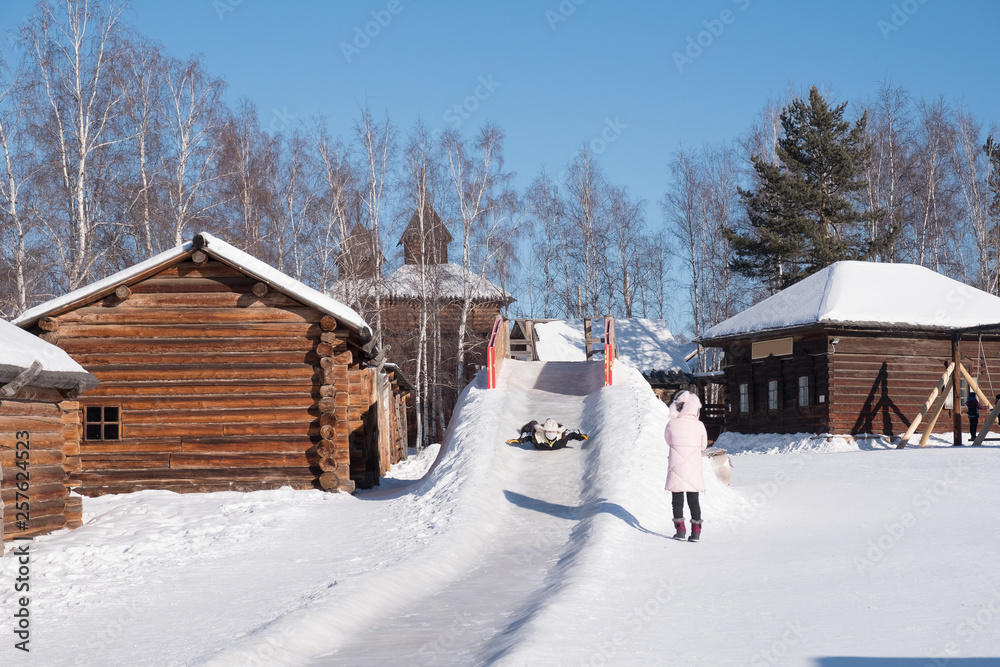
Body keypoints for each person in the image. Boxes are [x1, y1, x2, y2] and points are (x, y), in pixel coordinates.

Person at [664, 390, 709, 542]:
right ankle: (696, 532)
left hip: (676, 466)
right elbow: (703, 446)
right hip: (693, 467)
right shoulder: (700, 425)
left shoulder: (672, 424)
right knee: (693, 500)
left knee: (677, 499)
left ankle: (680, 531)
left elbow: (668, 440)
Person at [507, 418, 588, 450]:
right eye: (548, 432)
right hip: (539, 435)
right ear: (544, 431)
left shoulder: (562, 436)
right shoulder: (537, 436)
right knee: (533, 427)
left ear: (557, 432)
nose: (551, 434)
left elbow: (572, 432)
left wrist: (580, 436)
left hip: (556, 436)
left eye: (553, 432)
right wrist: (519, 440)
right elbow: (527, 435)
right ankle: (533, 423)